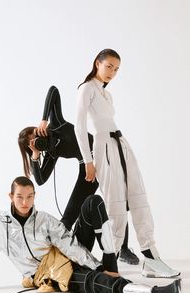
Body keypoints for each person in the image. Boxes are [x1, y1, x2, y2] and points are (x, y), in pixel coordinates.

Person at [0, 176, 182, 293]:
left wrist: (98, 265)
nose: (25, 201)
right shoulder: (1, 226)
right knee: (96, 283)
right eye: (19, 196)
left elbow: (68, 243)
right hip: (48, 274)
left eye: (29, 196)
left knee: (92, 202)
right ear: (11, 196)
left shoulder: (43, 220)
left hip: (67, 257)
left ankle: (111, 267)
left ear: (34, 196)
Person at [74, 48, 180, 278]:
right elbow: (79, 127)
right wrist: (87, 161)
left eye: (117, 69)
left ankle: (150, 256)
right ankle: (110, 260)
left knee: (138, 196)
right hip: (103, 147)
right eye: (109, 66)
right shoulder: (86, 89)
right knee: (116, 205)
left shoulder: (106, 94)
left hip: (121, 144)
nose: (112, 72)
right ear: (97, 63)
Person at [18, 85, 139, 265]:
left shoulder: (56, 124)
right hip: (87, 172)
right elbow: (41, 180)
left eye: (35, 136)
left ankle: (123, 249)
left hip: (103, 157)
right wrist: (36, 156)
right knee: (67, 219)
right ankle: (54, 255)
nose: (38, 141)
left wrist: (44, 120)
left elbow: (53, 91)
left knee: (117, 203)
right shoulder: (51, 153)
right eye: (32, 144)